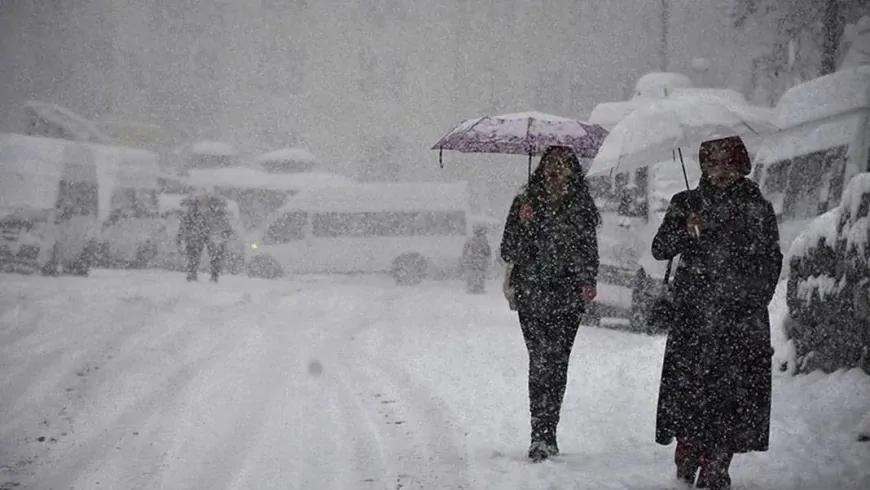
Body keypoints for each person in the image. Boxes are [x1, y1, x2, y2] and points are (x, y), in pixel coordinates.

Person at [652, 136, 782, 490]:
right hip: (694, 317)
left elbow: (771, 260)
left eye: (728, 163)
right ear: (703, 166)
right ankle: (689, 450)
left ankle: (717, 465)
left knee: (731, 397)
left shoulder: (757, 208)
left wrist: (753, 300)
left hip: (740, 319)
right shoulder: (687, 202)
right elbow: (659, 249)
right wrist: (685, 229)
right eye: (713, 163)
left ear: (741, 166)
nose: (721, 171)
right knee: (692, 393)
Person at [500, 145, 600, 462]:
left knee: (557, 364)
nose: (556, 170)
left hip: (567, 297)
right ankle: (538, 435)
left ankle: (549, 431)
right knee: (540, 360)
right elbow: (508, 250)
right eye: (551, 164)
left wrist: (587, 280)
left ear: (573, 170)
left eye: (563, 165)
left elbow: (589, 250)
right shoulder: (524, 203)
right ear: (542, 168)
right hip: (532, 293)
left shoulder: (581, 206)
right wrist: (524, 222)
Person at [176, 194, 233, 282]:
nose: (203, 201)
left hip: (210, 234)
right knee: (193, 254)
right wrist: (180, 235)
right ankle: (192, 274)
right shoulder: (192, 211)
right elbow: (185, 223)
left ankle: (213, 276)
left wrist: (226, 233)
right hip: (197, 234)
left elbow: (224, 223)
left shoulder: (216, 211)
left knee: (215, 255)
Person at [462, 225, 492, 294]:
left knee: (474, 274)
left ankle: (473, 288)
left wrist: (465, 255)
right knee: (479, 275)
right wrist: (488, 256)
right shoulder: (484, 239)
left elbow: (465, 248)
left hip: (475, 259)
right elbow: (488, 250)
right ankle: (479, 288)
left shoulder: (472, 239)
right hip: (480, 259)